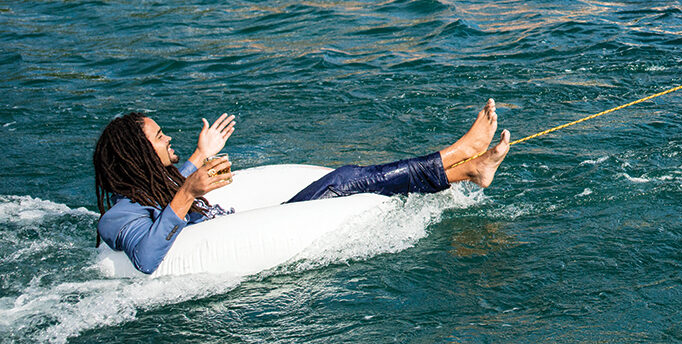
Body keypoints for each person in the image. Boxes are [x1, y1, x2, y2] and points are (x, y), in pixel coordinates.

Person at [93, 100, 511, 274]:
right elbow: (147, 257)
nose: (168, 139)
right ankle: (460, 154)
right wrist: (188, 193)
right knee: (344, 179)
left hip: (247, 220)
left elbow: (173, 179)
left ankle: (466, 165)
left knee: (346, 180)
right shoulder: (117, 217)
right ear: (137, 155)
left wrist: (202, 154)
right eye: (159, 137)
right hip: (245, 237)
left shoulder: (153, 185)